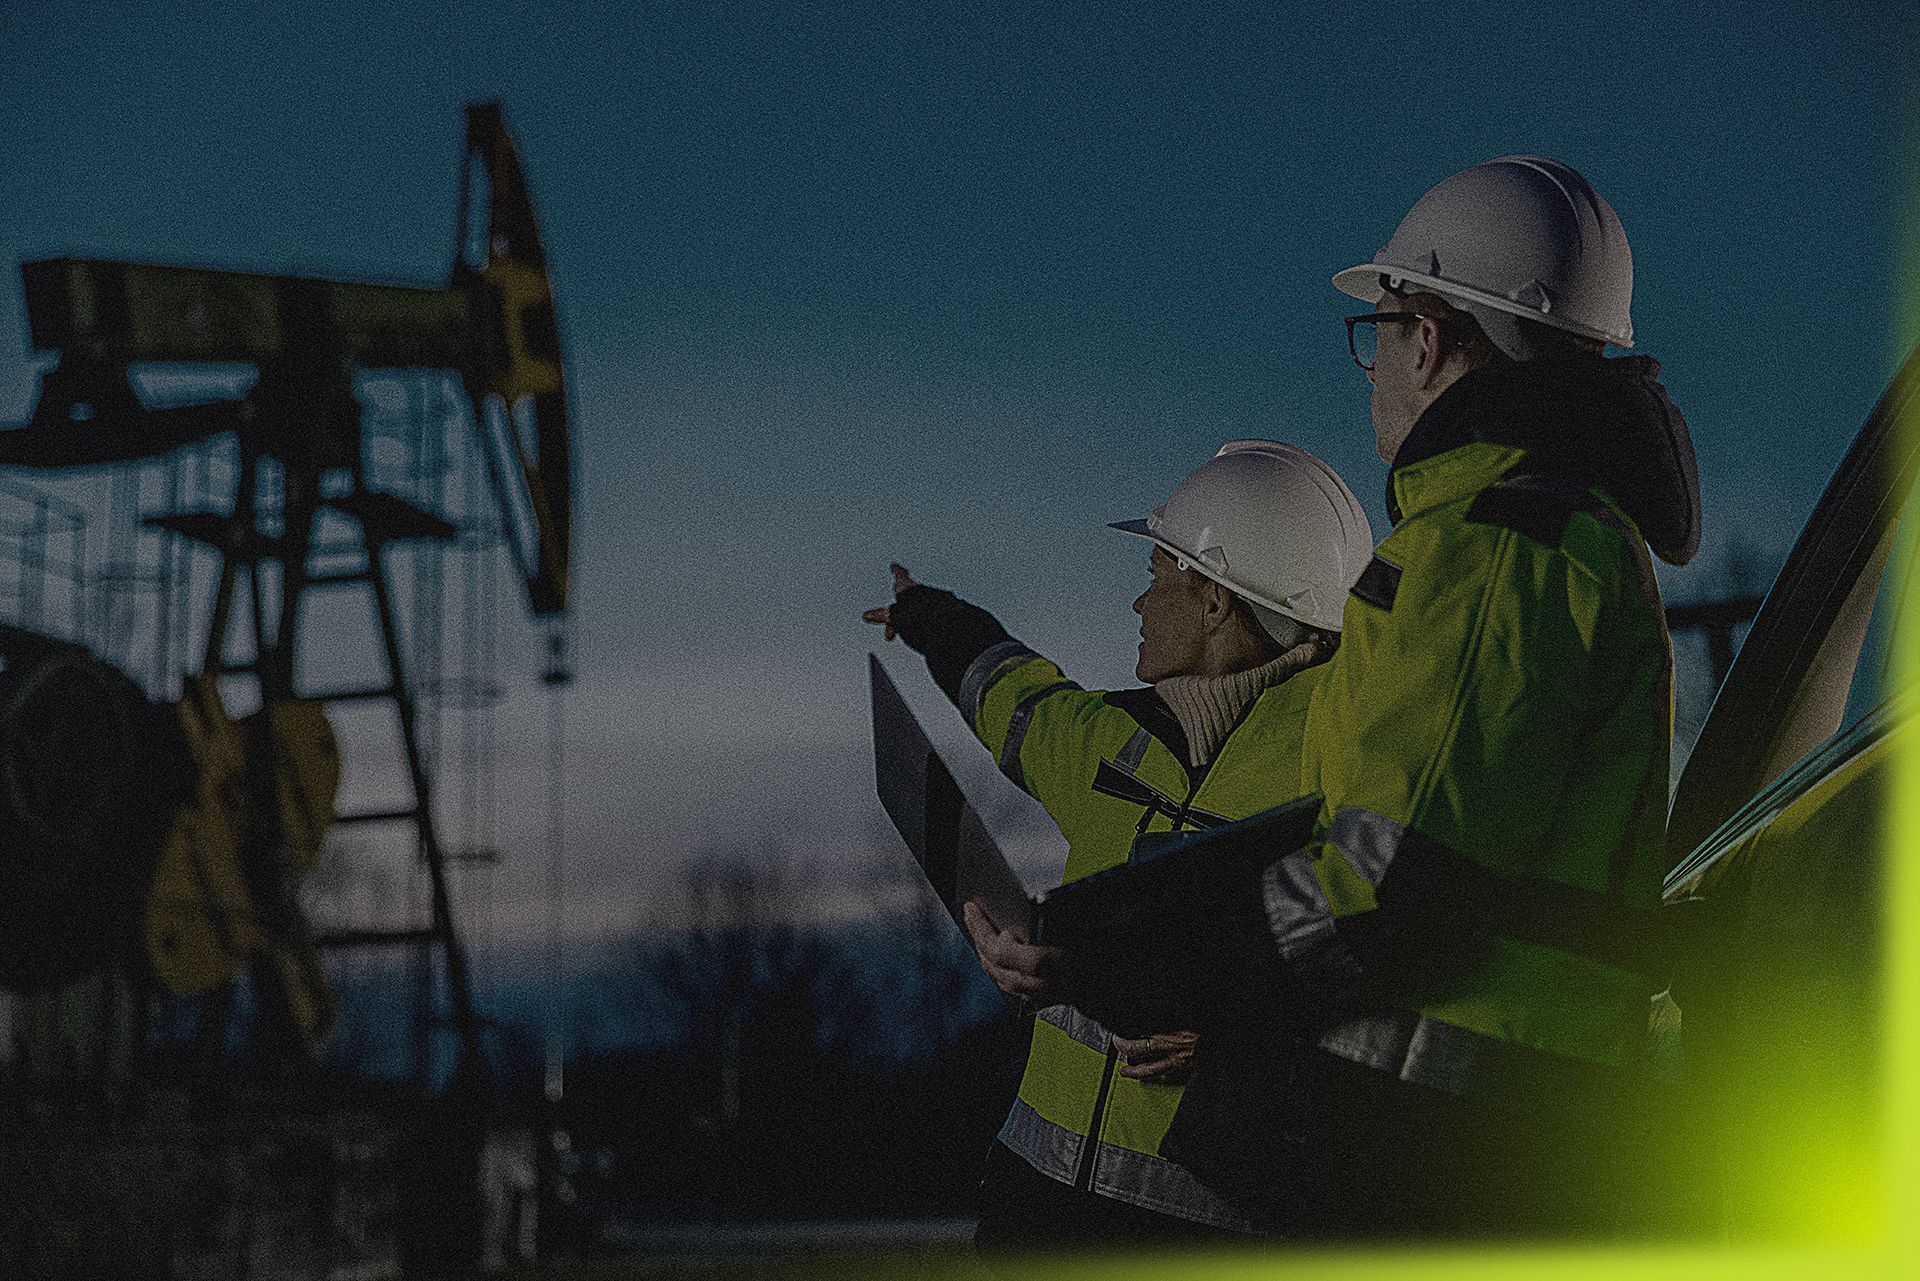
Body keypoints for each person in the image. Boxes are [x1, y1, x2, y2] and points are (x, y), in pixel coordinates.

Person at [1135, 155, 1701, 1238]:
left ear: (1430, 339)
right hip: (1475, 1134)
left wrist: (1193, 964)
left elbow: (1392, 882)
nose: (1373, 368)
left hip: (1434, 1147)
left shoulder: (1494, 544)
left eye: (1381, 332)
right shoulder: (1541, 534)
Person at [862, 440, 1373, 1250]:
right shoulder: (1110, 739)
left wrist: (1247, 1040)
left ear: (1214, 599)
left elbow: (1397, 965)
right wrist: (927, 614)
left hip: (1210, 1233)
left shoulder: (1350, 766)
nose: (1140, 603)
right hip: (1036, 1207)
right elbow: (1007, 686)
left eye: (1158, 574)